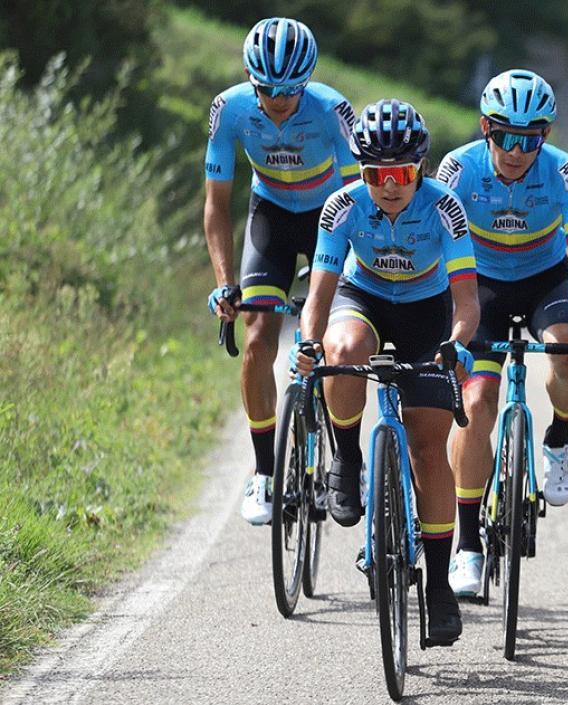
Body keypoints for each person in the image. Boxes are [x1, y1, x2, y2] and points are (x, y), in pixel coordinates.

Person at [291, 99, 478, 645]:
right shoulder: (342, 207)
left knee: (427, 447)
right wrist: (308, 343)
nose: (390, 185)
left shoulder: (446, 209)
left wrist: (456, 345)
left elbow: (466, 300)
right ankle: (347, 460)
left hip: (428, 310)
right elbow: (319, 295)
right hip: (363, 295)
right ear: (362, 171)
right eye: (376, 174)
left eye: (401, 173)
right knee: (342, 349)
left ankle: (439, 588)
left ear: (419, 167)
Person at [434, 69, 568, 597]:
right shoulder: (457, 169)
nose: (515, 150)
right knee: (478, 399)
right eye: (504, 136)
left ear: (544, 137)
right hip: (479, 282)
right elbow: (439, 252)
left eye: (528, 139)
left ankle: (556, 437)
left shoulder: (565, 173)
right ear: (486, 128)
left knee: (567, 352)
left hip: (543, 279)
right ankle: (467, 545)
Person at [204, 17, 360, 525]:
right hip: (269, 217)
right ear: (253, 82)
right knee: (257, 339)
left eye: (291, 89)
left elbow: (361, 201)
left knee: (333, 340)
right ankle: (264, 473)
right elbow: (217, 205)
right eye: (268, 88)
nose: (279, 98)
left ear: (307, 81)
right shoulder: (229, 110)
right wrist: (225, 282)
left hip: (328, 219)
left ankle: (344, 457)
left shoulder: (332, 110)